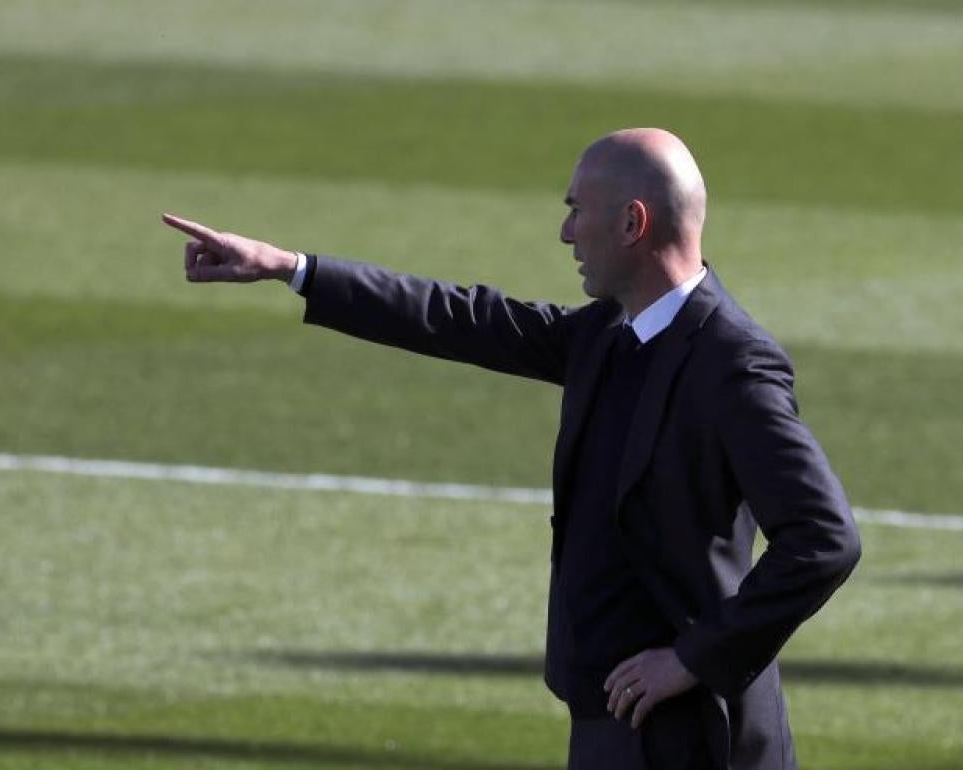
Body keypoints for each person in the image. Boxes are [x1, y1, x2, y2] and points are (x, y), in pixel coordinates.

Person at [161, 128, 861, 770]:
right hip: (613, 723)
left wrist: (693, 659)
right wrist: (291, 269)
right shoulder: (606, 335)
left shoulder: (730, 363)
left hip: (697, 736)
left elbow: (824, 538)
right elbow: (459, 318)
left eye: (577, 210)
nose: (565, 232)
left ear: (633, 223)